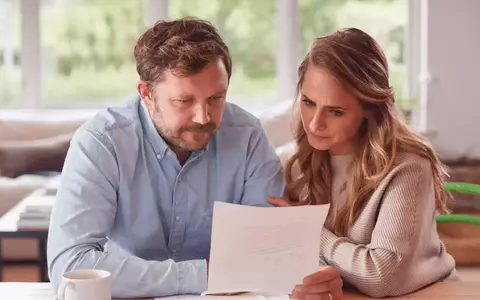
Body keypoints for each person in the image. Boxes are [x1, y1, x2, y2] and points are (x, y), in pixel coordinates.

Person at [47, 17, 342, 300]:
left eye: (216, 98)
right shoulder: (102, 141)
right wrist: (204, 275)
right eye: (184, 101)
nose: (204, 117)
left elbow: (266, 253)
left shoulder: (247, 135)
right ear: (146, 93)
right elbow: (70, 265)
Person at [269, 28, 457, 298]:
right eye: (308, 102)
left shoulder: (409, 168)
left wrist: (305, 229)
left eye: (335, 111)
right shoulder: (292, 163)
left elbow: (382, 276)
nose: (314, 123)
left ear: (370, 109)